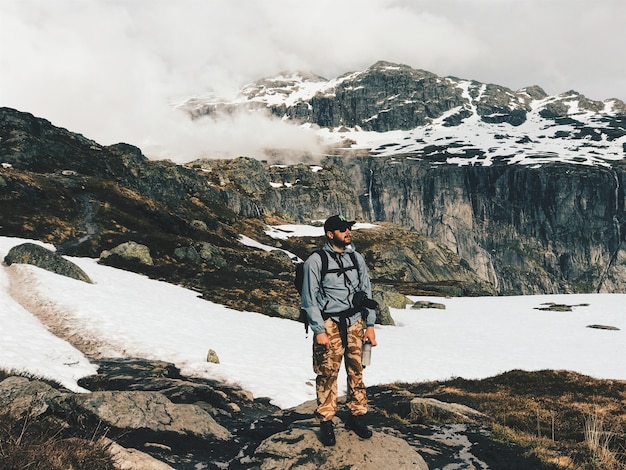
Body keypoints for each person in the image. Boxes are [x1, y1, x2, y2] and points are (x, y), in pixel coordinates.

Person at [300, 214, 378, 446]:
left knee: (356, 369)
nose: (347, 232)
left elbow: (367, 292)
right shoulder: (315, 261)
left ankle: (358, 415)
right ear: (330, 233)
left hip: (355, 321)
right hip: (329, 323)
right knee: (327, 372)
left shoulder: (356, 258)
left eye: (348, 228)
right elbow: (309, 298)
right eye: (342, 229)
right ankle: (326, 420)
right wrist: (319, 329)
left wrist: (370, 325)